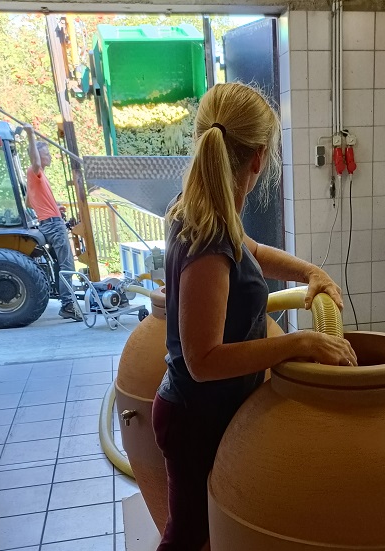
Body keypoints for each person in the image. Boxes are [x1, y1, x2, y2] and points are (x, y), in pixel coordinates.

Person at [152, 82, 357, 551]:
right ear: (260, 159)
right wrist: (299, 342)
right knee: (188, 538)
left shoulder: (208, 215)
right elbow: (203, 360)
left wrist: (311, 272)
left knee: (211, 532)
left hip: (206, 414)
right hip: (193, 419)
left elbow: (256, 253)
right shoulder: (208, 238)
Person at [24, 124, 82, 321]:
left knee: (62, 264)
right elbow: (35, 161)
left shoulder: (36, 178)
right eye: (46, 153)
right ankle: (68, 305)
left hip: (50, 220)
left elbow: (28, 201)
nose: (49, 156)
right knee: (67, 264)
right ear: (38, 157)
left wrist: (54, 207)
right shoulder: (35, 171)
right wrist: (31, 135)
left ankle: (67, 301)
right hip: (53, 224)